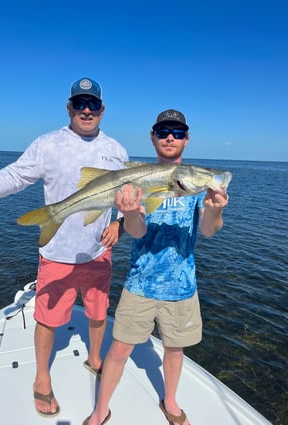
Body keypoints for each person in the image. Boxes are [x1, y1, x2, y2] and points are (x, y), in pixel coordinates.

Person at [0, 77, 129, 416]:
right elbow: (11, 178)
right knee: (48, 318)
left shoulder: (116, 150)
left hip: (99, 252)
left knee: (99, 313)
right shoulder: (47, 144)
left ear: (102, 110)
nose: (87, 110)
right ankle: (42, 378)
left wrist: (120, 224)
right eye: (80, 104)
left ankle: (96, 358)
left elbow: (128, 196)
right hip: (57, 253)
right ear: (69, 107)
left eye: (94, 105)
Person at [83, 109, 230, 425]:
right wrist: (131, 212)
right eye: (164, 131)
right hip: (140, 283)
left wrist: (214, 211)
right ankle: (100, 410)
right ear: (153, 137)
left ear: (186, 140)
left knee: (175, 351)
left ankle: (171, 402)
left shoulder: (194, 187)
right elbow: (135, 231)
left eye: (177, 133)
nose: (170, 137)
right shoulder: (139, 176)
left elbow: (207, 230)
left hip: (183, 286)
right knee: (120, 349)